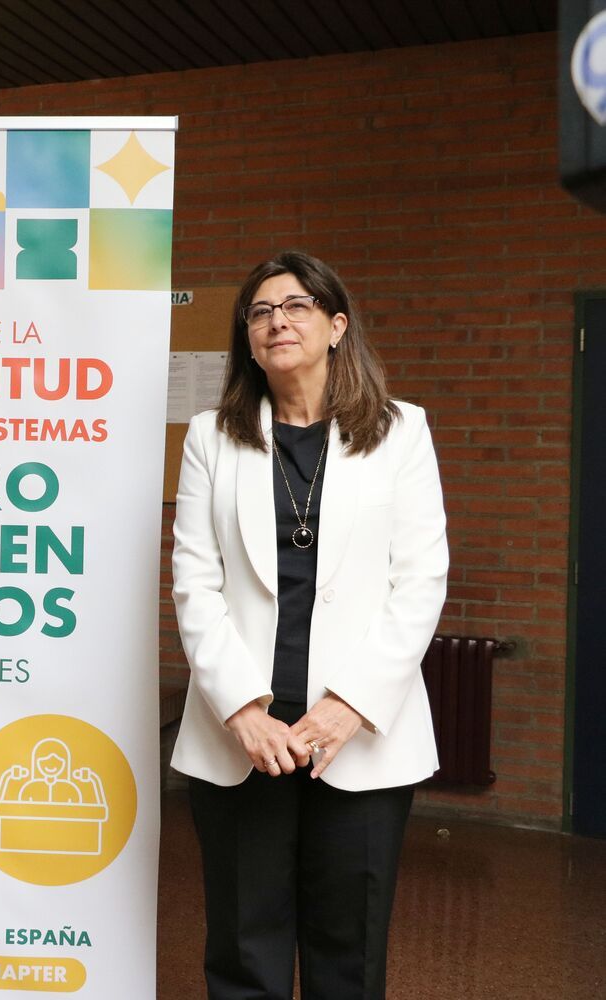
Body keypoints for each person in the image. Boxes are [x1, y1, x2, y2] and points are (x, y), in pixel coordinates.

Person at [170, 251, 448, 999]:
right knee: (244, 947)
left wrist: (350, 702)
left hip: (358, 735)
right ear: (248, 339)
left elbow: (419, 582)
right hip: (243, 739)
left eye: (294, 306)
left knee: (347, 952)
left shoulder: (401, 432)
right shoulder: (211, 437)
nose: (276, 321)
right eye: (259, 312)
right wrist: (240, 707)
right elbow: (195, 583)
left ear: (336, 325)